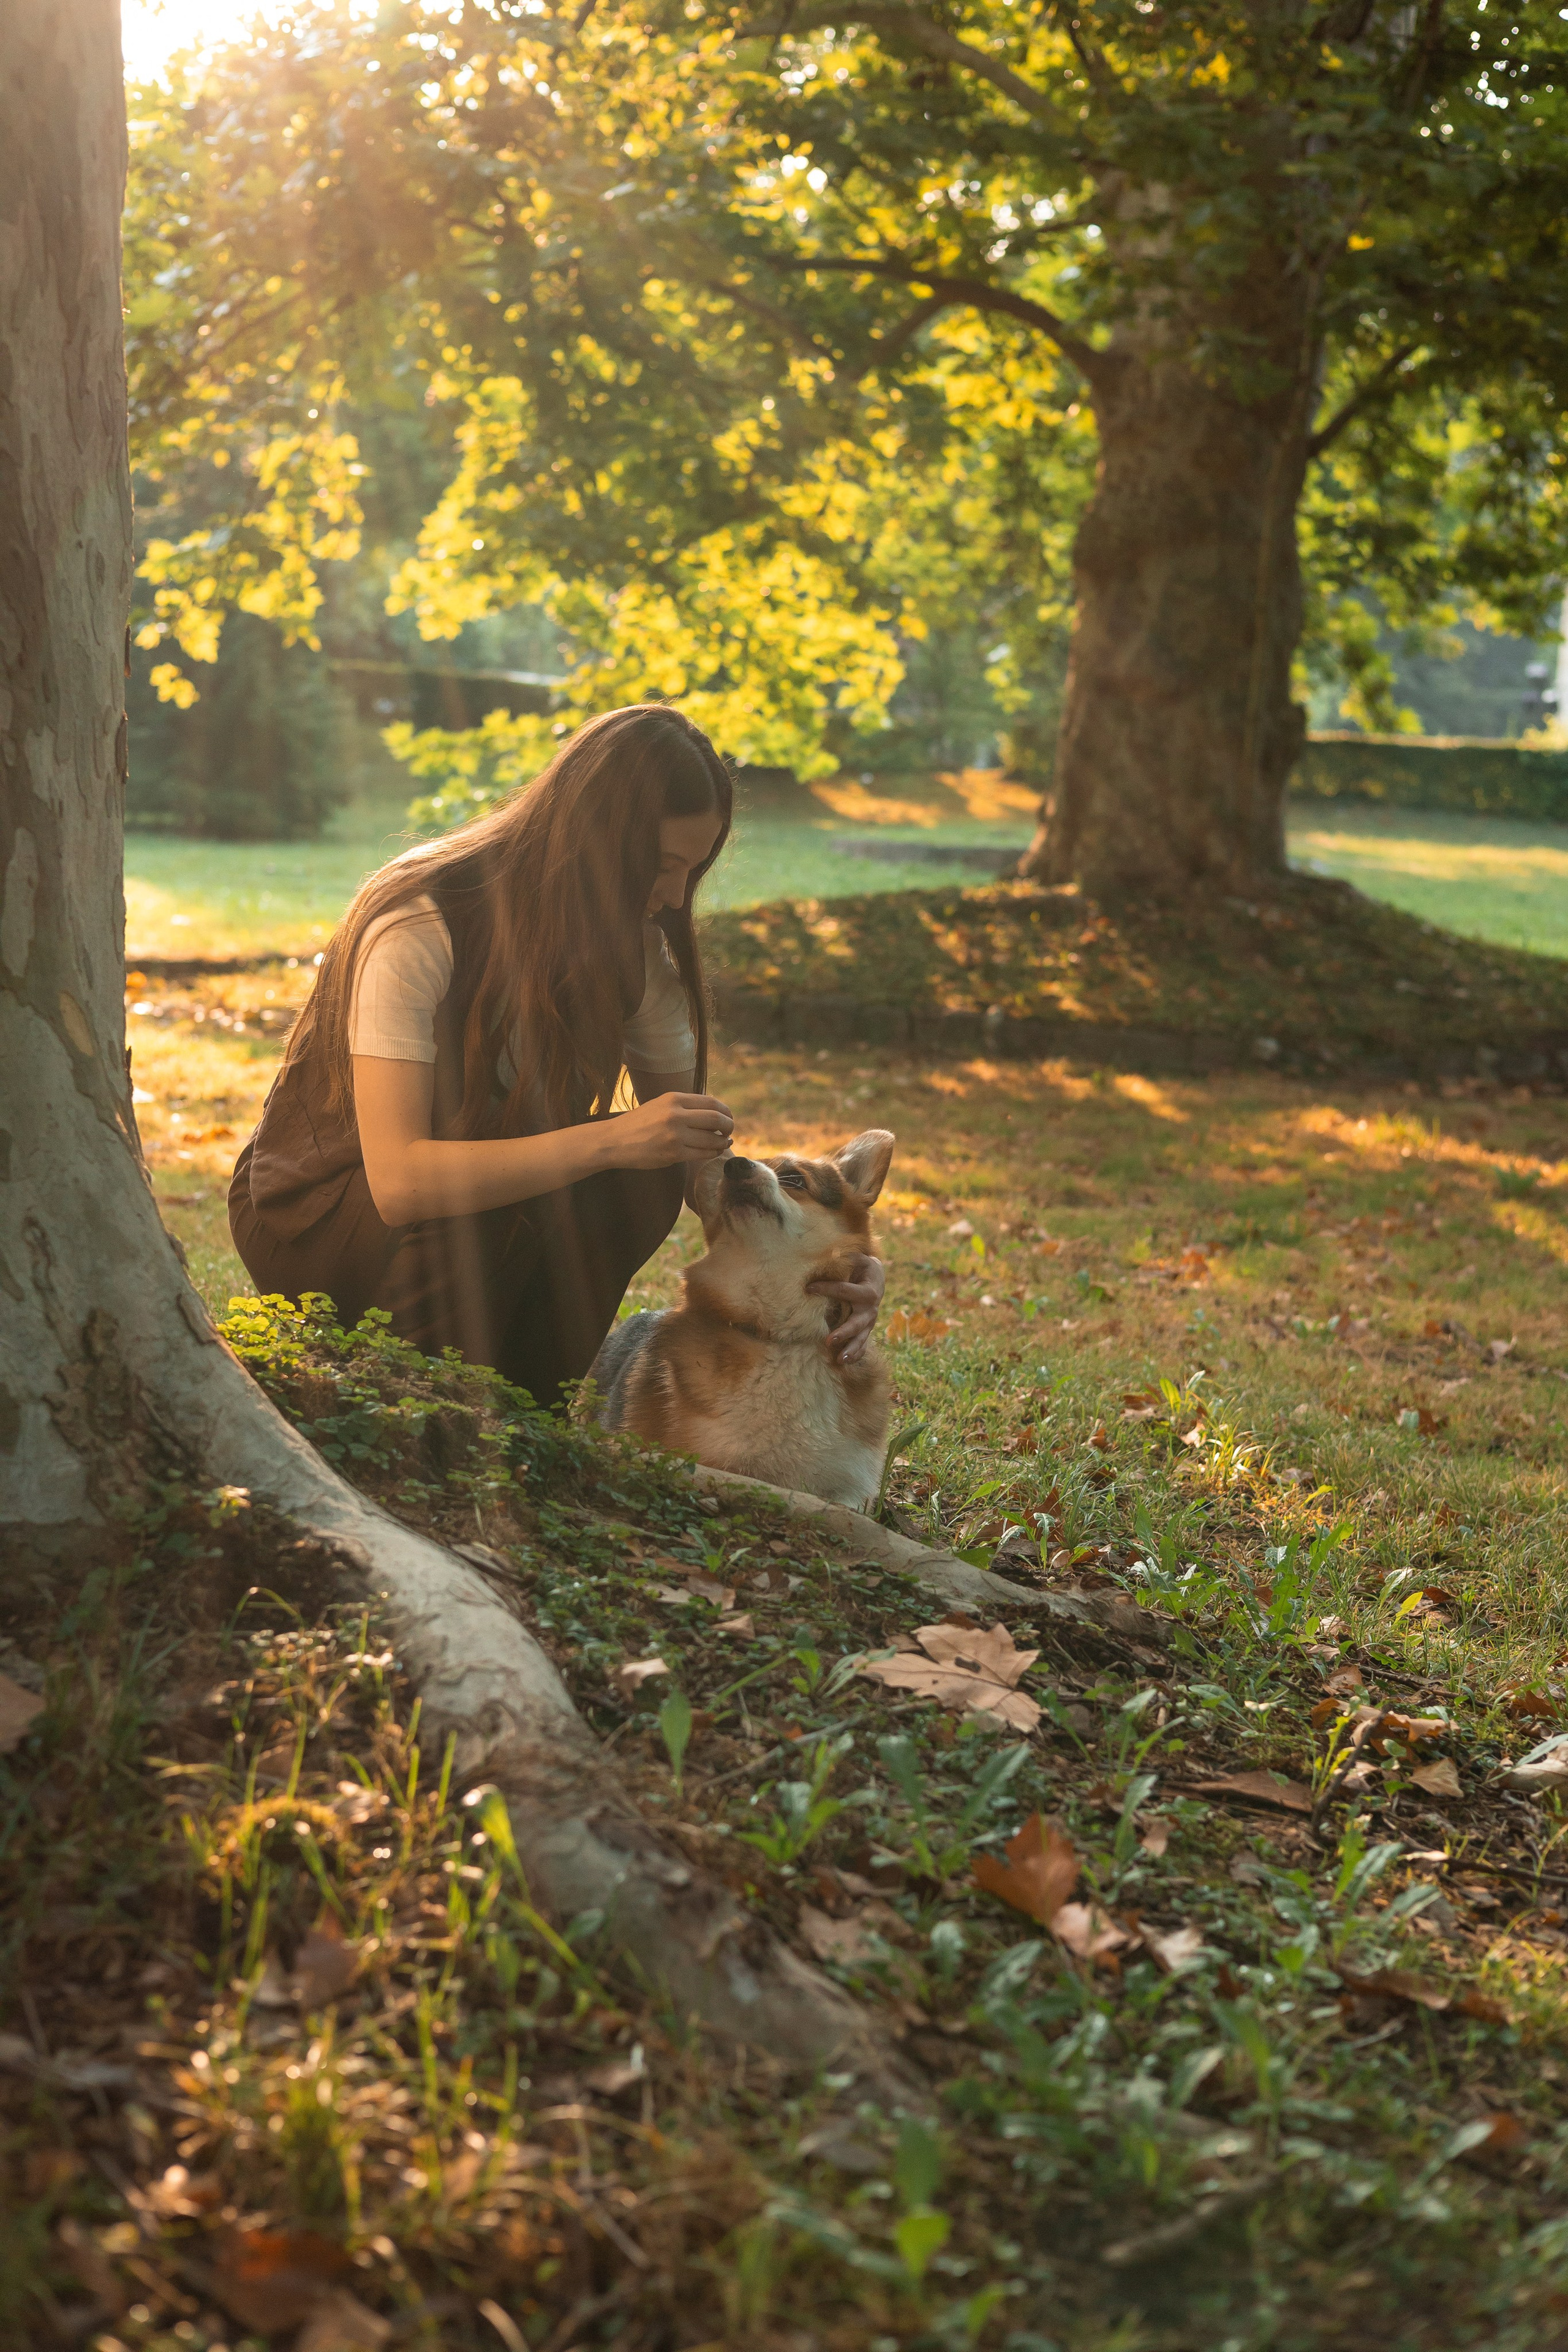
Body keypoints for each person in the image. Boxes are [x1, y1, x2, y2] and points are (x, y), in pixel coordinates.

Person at [228, 704, 883, 1409]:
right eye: (662, 866)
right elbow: (400, 1181)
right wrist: (608, 1139)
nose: (671, 898)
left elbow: (694, 1161)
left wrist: (830, 1267)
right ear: (597, 841)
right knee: (514, 1188)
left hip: (467, 1227)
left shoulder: (638, 951)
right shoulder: (422, 918)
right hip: (322, 1215)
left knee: (642, 1177)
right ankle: (414, 1407)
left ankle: (523, 1410)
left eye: (690, 872)